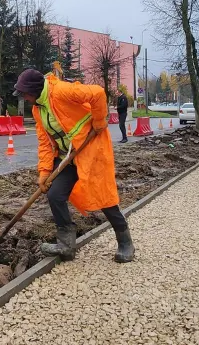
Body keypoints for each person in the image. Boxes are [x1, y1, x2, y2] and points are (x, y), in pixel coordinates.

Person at [13, 68, 135, 263]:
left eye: (25, 94)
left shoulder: (61, 91)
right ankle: (66, 245)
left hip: (90, 150)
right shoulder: (38, 109)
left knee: (103, 197)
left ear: (35, 90)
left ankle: (125, 241)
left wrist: (98, 120)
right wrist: (44, 172)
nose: (24, 99)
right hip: (67, 157)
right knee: (55, 195)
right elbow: (45, 141)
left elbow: (97, 93)